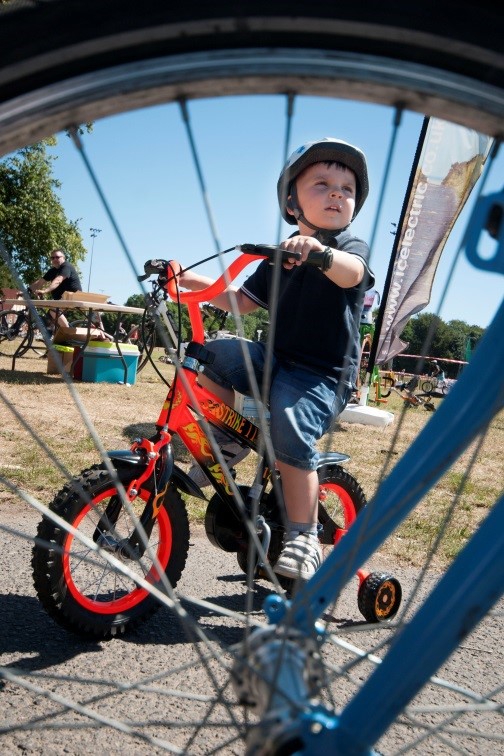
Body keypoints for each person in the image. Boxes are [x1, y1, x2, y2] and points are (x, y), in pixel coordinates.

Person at [178, 137, 374, 580]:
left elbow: (354, 274)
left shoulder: (349, 246)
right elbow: (239, 301)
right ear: (292, 202)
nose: (337, 193)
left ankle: (304, 536)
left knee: (289, 416)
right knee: (205, 355)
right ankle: (227, 442)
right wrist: (187, 279)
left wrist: (322, 254)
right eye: (322, 184)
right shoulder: (280, 255)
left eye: (347, 188)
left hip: (323, 377)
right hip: (276, 360)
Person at [29, 248, 82, 328]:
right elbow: (40, 282)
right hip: (61, 299)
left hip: (72, 297)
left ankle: (68, 333)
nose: (54, 259)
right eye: (52, 258)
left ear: (63, 258)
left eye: (57, 257)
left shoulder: (66, 266)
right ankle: (55, 336)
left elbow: (58, 280)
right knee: (48, 320)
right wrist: (26, 291)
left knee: (54, 310)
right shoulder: (52, 271)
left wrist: (45, 291)